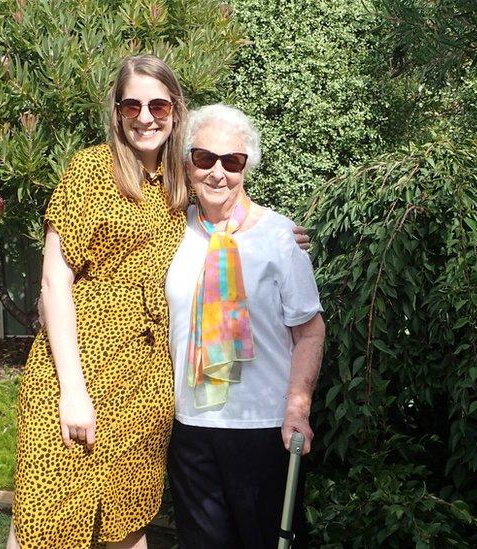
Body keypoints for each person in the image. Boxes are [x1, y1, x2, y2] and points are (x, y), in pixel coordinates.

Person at [7, 54, 190, 549]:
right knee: (43, 519)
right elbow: (54, 282)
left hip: (146, 378)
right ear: (117, 112)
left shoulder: (183, 184)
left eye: (158, 104)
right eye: (132, 106)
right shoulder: (90, 170)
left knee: (127, 518)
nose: (146, 117)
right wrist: (73, 390)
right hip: (76, 363)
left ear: (176, 110)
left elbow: (233, 211)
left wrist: (280, 235)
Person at [165, 103, 326, 549]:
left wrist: (298, 406)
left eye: (232, 162)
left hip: (263, 427)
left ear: (246, 168)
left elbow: (310, 330)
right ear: (187, 162)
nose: (218, 173)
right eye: (205, 158)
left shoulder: (279, 237)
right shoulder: (169, 233)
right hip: (190, 427)